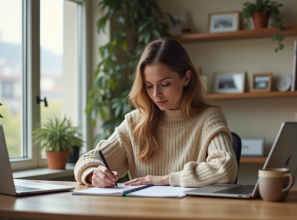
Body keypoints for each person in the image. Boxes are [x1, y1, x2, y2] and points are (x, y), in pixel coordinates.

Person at [74, 38, 238, 188]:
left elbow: (225, 168)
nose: (155, 94)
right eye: (149, 85)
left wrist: (167, 179)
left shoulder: (209, 118)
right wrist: (92, 174)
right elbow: (87, 160)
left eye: (164, 84)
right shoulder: (135, 121)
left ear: (186, 78)